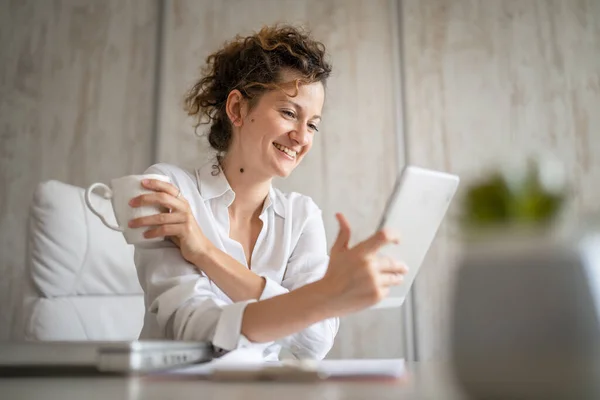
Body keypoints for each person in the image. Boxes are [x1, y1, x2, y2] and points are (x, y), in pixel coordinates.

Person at [128, 25, 408, 360]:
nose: (302, 137)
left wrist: (204, 252)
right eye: (289, 113)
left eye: (313, 124)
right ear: (238, 110)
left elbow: (315, 343)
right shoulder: (169, 190)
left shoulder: (301, 217)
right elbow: (196, 329)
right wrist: (321, 299)